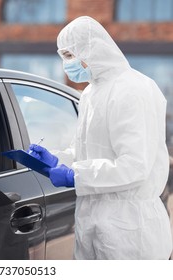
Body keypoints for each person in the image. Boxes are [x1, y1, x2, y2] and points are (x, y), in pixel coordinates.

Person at [28, 16, 173, 259]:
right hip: (92, 218)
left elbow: (135, 166)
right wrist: (57, 159)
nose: (66, 64)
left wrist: (76, 174)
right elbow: (86, 151)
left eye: (70, 55)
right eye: (63, 56)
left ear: (92, 49)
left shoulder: (133, 89)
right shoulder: (91, 93)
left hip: (129, 227)